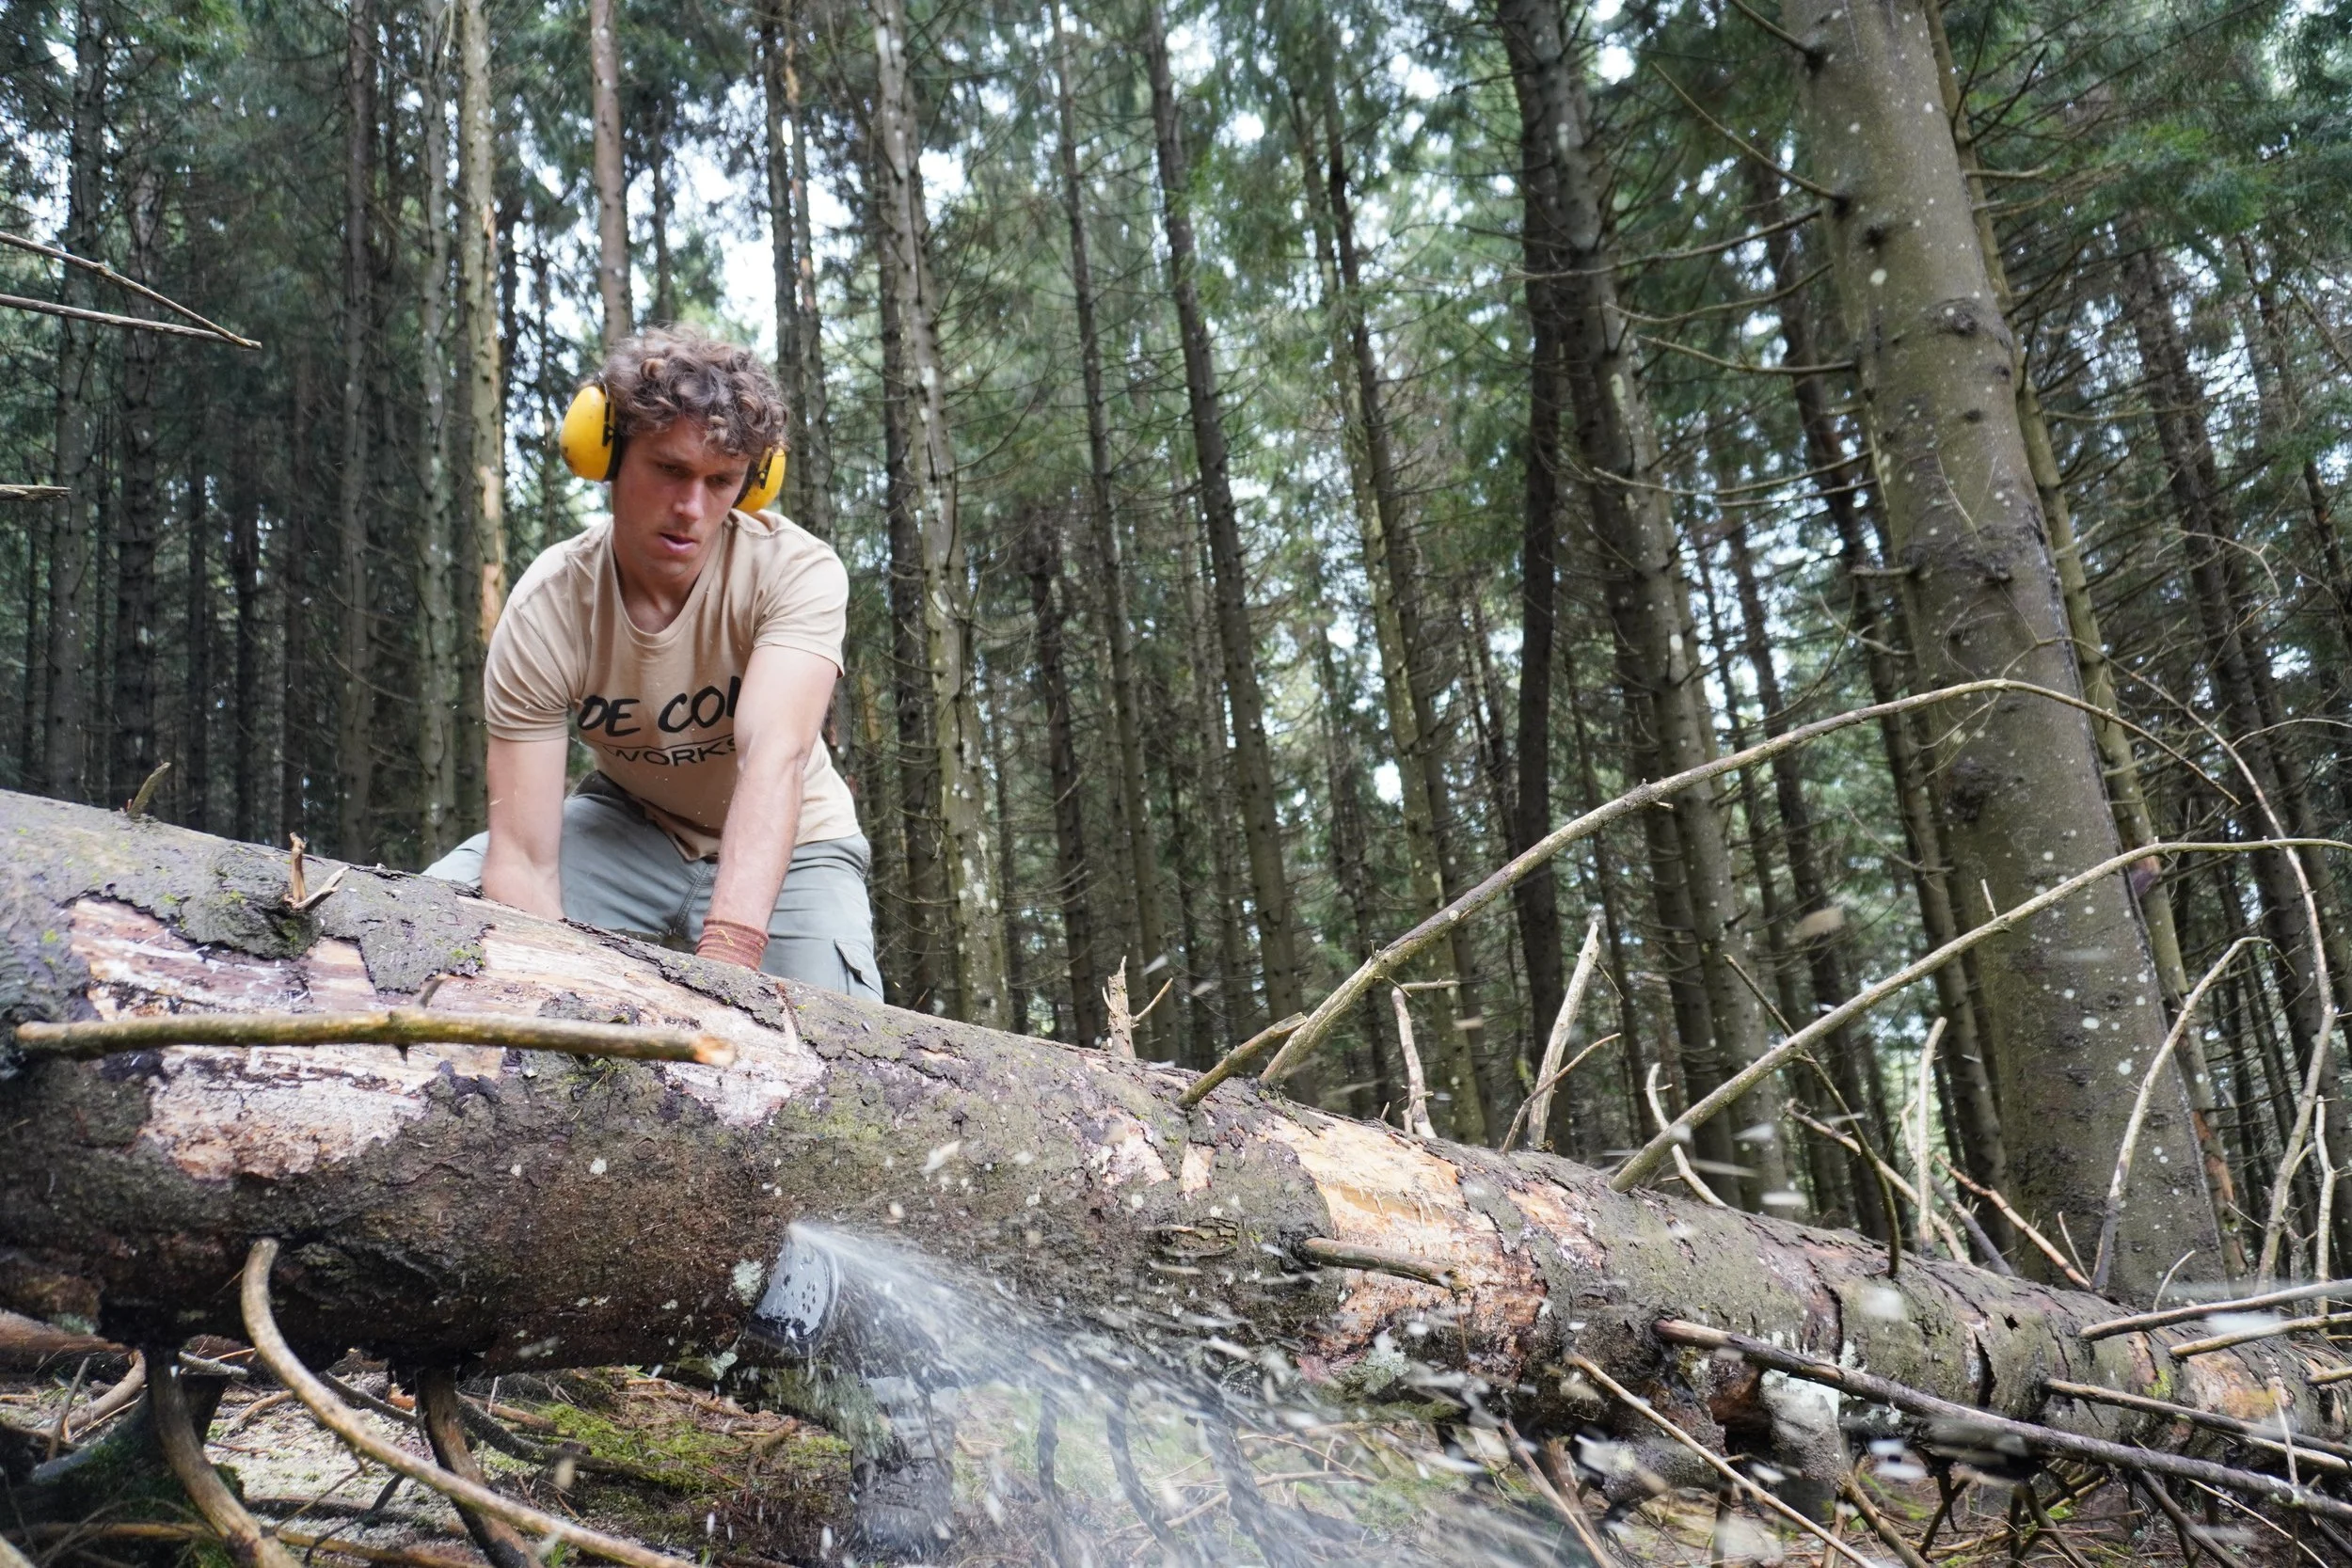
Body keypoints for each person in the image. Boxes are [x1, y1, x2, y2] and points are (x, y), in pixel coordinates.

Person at [424, 326, 880, 1000]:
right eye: (670, 469)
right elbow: (522, 858)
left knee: (836, 1037)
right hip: (629, 826)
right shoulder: (551, 606)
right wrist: (546, 1001)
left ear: (752, 485)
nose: (692, 508)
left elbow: (774, 759)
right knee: (433, 922)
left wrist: (729, 967)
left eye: (720, 482)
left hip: (797, 847)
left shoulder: (794, 572)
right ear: (606, 454)